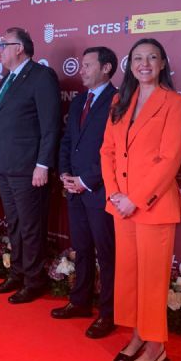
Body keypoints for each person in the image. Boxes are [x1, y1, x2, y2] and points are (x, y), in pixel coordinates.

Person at [100, 38, 181, 361]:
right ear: (130, 65)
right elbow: (107, 151)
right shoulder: (121, 100)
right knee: (131, 277)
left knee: (152, 280)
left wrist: (135, 199)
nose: (145, 63)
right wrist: (115, 195)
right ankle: (138, 334)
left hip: (152, 207)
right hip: (121, 206)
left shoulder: (174, 102)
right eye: (138, 58)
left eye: (152, 57)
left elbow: (169, 159)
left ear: (163, 63)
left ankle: (157, 347)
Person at [0, 27, 60, 304]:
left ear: (19, 48)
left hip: (30, 169)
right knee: (15, 224)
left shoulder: (41, 77)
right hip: (6, 168)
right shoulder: (7, 79)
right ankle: (17, 273)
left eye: (3, 44)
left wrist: (43, 164)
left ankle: (34, 280)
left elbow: (50, 125)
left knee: (30, 226)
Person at [51, 47, 118, 338]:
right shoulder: (80, 100)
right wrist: (65, 173)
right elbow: (68, 140)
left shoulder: (118, 101)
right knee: (81, 249)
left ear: (106, 68)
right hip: (74, 189)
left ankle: (109, 313)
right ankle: (79, 301)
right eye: (81, 65)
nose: (82, 70)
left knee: (107, 254)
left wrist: (87, 180)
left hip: (98, 190)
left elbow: (114, 151)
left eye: (88, 65)